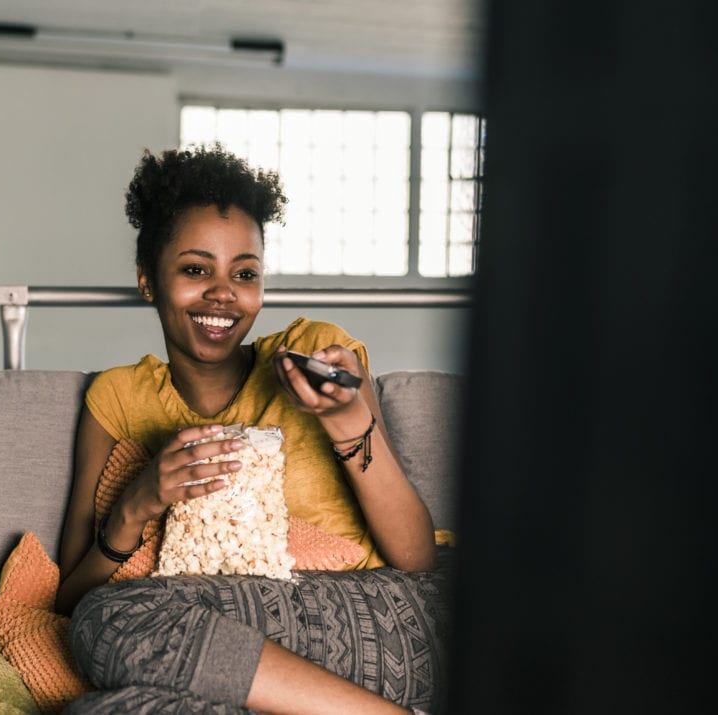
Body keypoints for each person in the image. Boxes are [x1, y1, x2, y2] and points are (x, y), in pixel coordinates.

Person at [56, 144, 446, 714]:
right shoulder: (118, 398)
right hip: (233, 644)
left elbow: (416, 558)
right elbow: (67, 598)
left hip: (387, 619)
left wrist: (345, 416)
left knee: (109, 617)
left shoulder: (315, 351)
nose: (223, 293)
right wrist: (136, 506)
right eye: (195, 270)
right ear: (147, 280)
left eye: (245, 274)